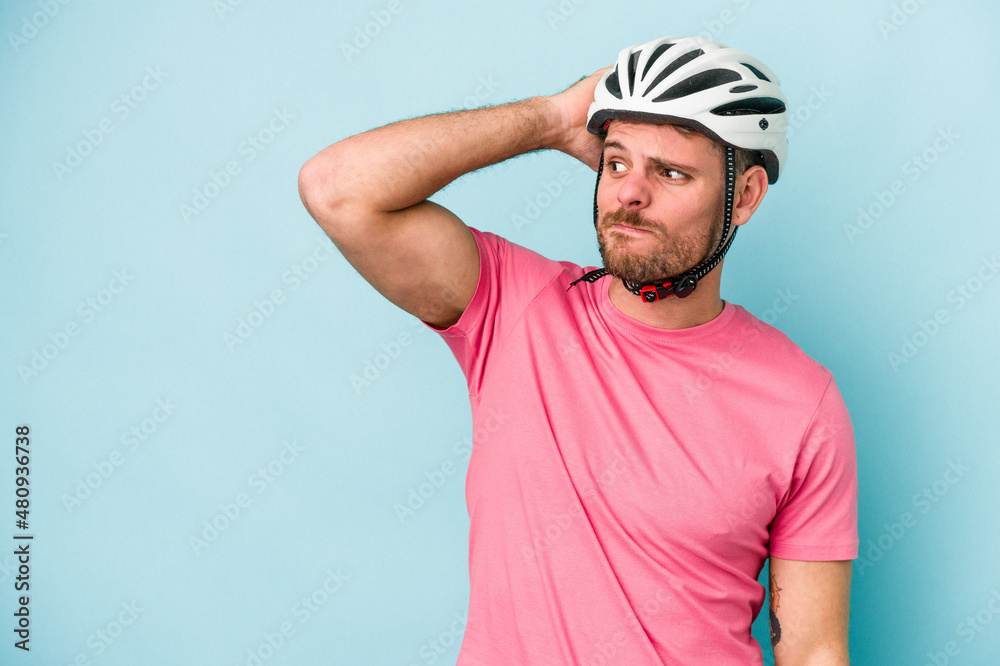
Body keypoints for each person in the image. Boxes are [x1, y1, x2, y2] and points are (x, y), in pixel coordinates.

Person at [298, 35, 858, 666]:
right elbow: (338, 189)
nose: (630, 194)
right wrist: (553, 119)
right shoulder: (512, 308)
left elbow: (812, 651)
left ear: (746, 195)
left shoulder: (802, 401)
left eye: (671, 172)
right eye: (617, 163)